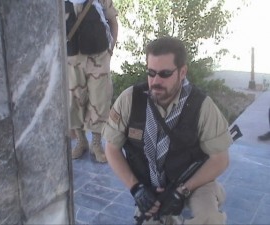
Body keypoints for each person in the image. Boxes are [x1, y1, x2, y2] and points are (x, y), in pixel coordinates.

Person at [102, 36, 233, 224]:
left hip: (193, 182)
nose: (155, 81)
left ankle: (214, 191)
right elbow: (112, 148)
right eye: (151, 72)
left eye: (164, 74)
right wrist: (136, 188)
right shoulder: (130, 100)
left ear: (182, 72)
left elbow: (220, 159)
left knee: (209, 218)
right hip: (149, 184)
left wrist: (182, 191)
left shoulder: (201, 105)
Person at [65, 0, 118, 163]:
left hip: (99, 57)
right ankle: (81, 142)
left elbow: (113, 22)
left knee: (100, 99)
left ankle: (96, 144)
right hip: (71, 58)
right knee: (73, 100)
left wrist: (111, 49)